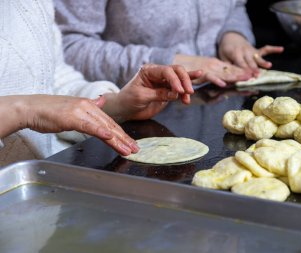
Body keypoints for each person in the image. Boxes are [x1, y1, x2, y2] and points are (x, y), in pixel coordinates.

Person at [0, 0, 199, 166]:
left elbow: (54, 80)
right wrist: (23, 110)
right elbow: (34, 106)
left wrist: (118, 105)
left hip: (38, 183)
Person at [54, 0, 284, 88]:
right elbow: (68, 46)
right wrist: (166, 61)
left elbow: (235, 6)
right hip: (132, 113)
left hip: (219, 97)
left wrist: (233, 34)